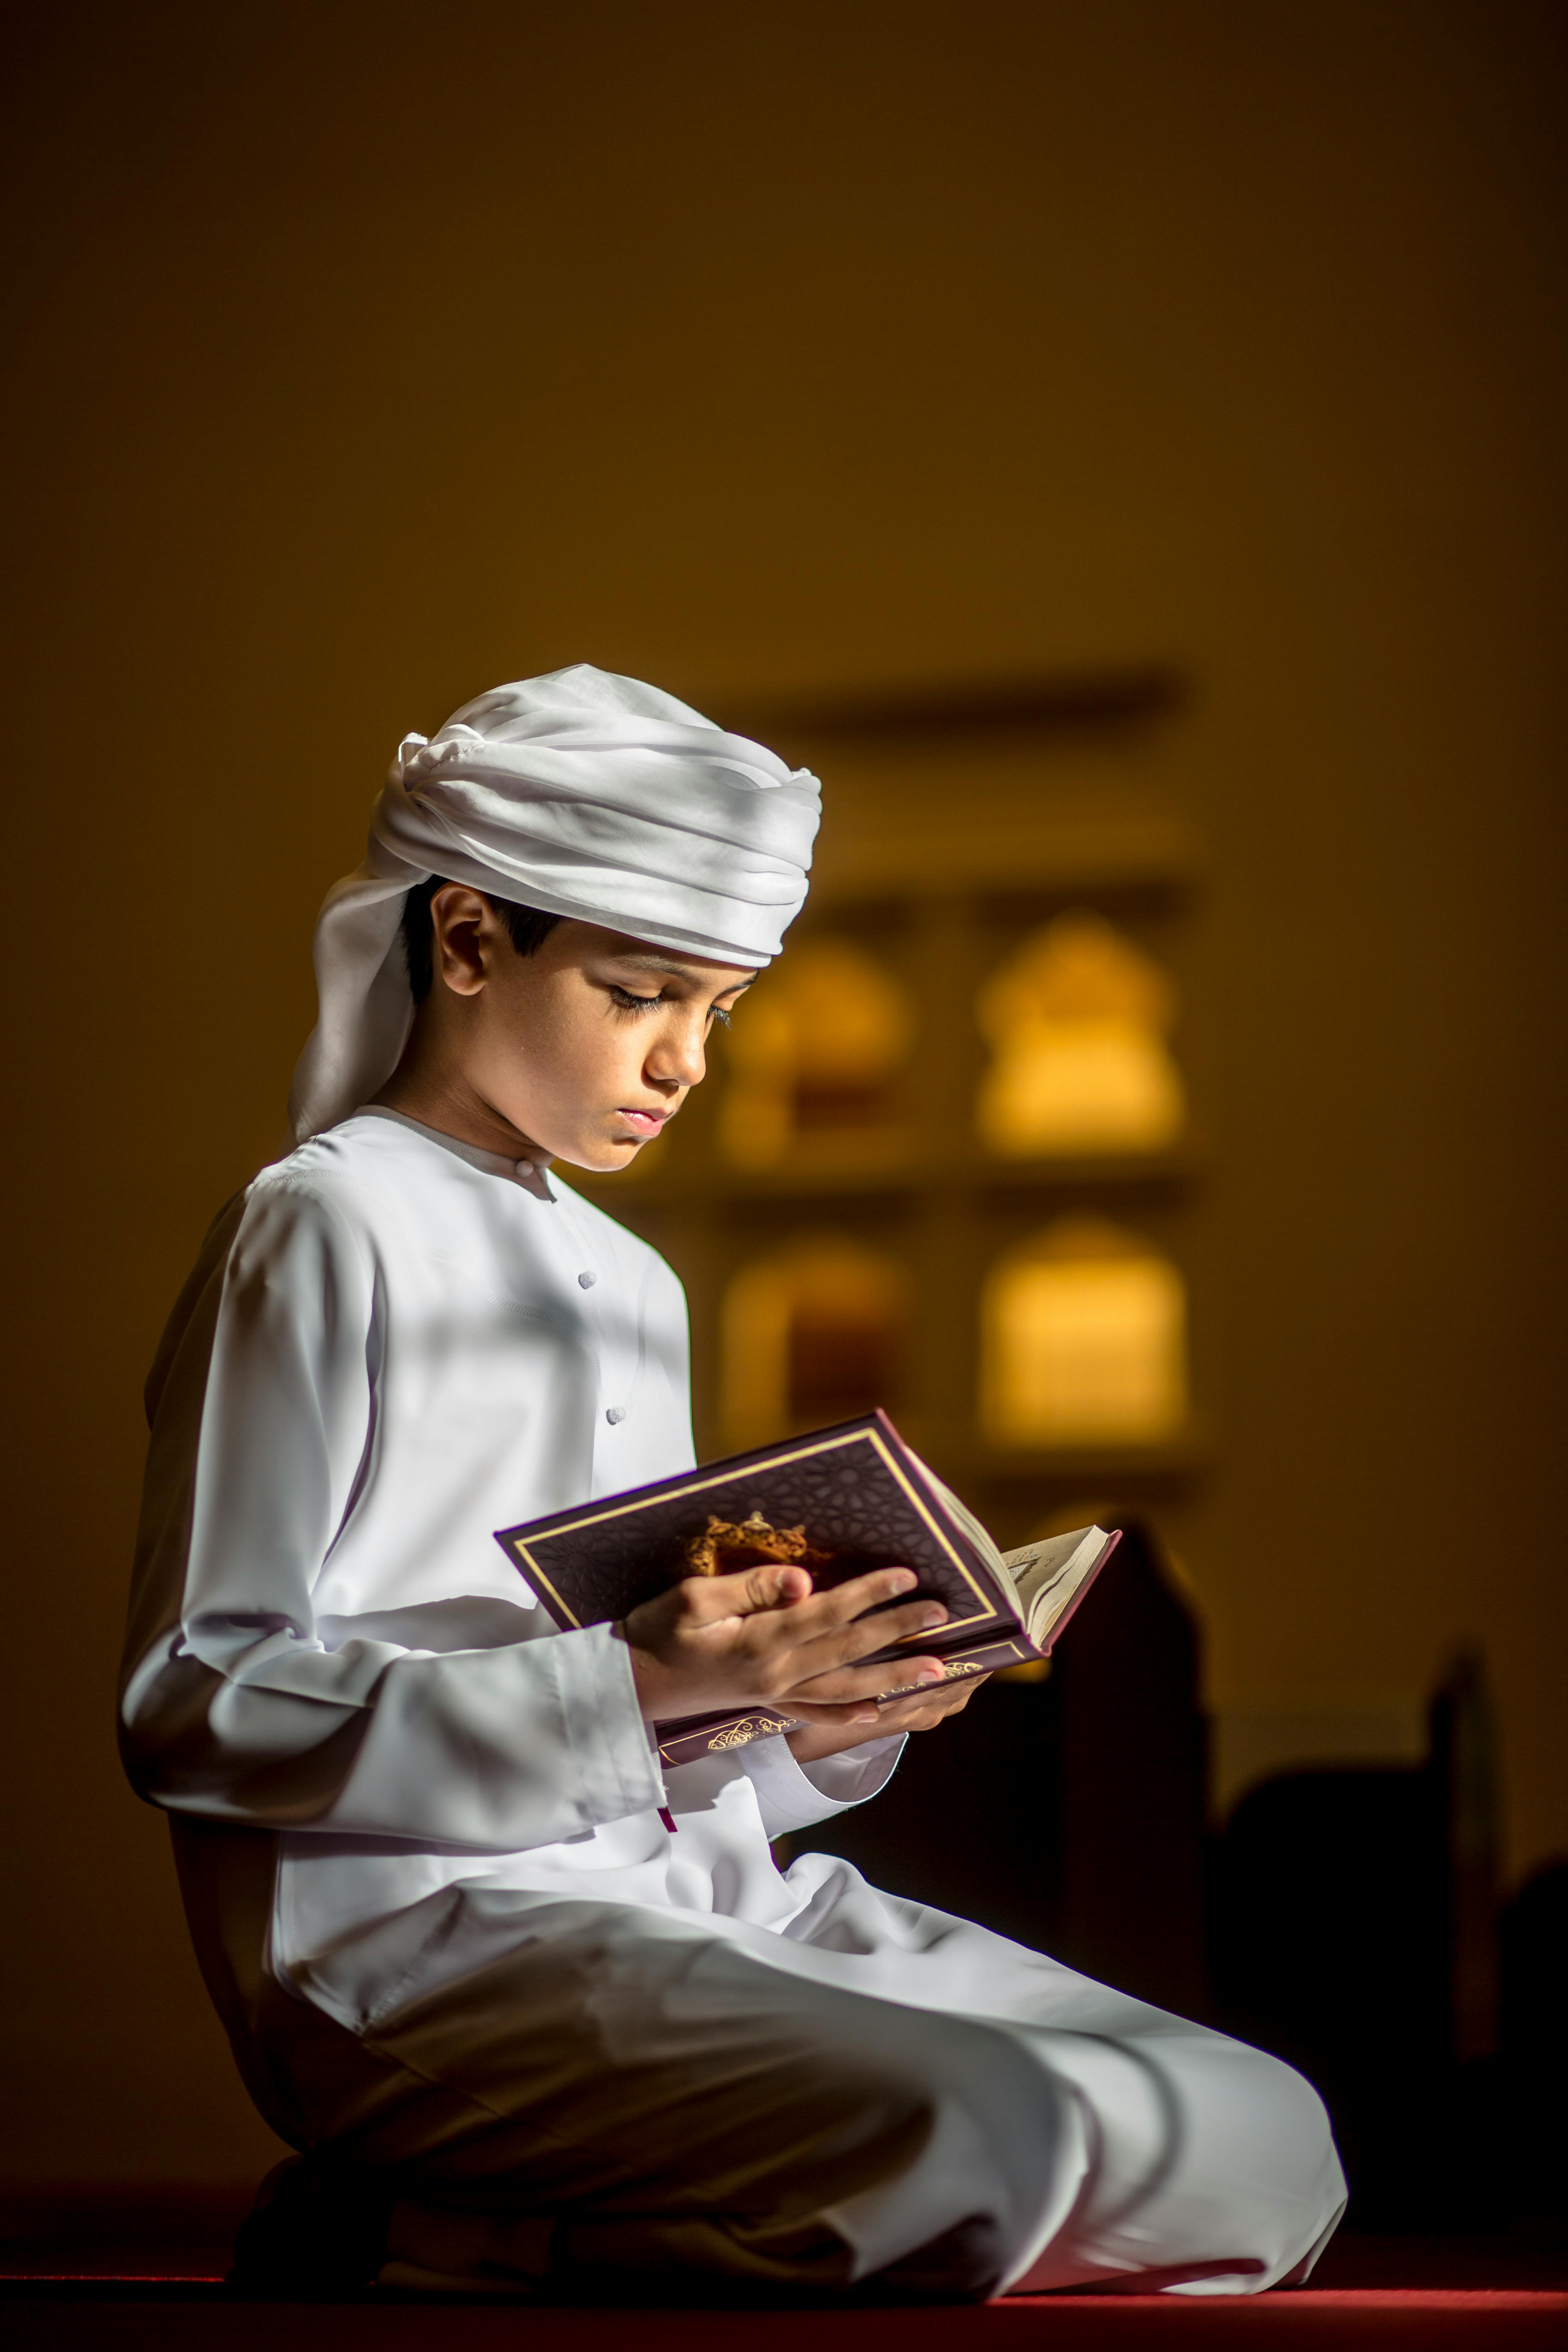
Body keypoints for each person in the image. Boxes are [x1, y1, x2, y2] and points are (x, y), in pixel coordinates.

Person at [120, 665, 1345, 2301]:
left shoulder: (636, 1283)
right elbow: (197, 1700)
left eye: (722, 1010)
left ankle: (505, 2247)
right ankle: (425, 2228)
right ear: (472, 942)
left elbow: (669, 1758)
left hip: (696, 1901)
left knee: (1262, 2135)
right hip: (418, 1957)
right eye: (644, 996)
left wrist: (807, 1725)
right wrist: (634, 1687)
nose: (690, 1062)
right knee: (1004, 2134)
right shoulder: (323, 1221)